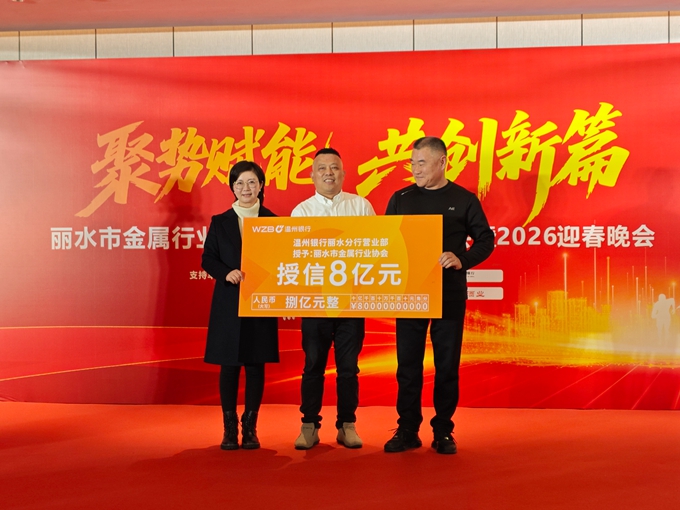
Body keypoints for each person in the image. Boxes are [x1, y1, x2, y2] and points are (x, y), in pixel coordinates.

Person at [383, 136, 494, 455]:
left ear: (442, 162)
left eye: (422, 163)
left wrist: (463, 259)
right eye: (412, 163)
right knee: (407, 366)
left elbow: (485, 240)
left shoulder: (464, 199)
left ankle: (443, 429)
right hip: (409, 294)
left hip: (448, 294)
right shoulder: (401, 198)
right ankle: (407, 429)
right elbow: (386, 241)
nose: (415, 169)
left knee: (446, 365)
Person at [291, 147, 376, 450]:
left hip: (352, 303)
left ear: (343, 173)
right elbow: (295, 258)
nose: (329, 173)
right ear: (312, 175)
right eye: (322, 168)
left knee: (348, 368)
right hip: (315, 304)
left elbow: (377, 250)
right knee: (313, 365)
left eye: (335, 168)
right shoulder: (301, 212)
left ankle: (347, 425)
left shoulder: (361, 206)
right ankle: (309, 425)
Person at [202, 160, 279, 450]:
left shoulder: (274, 221)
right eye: (239, 183)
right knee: (230, 365)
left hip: (261, 300)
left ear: (261, 185)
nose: (246, 188)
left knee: (256, 364)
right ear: (232, 188)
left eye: (251, 182)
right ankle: (229, 428)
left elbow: (282, 260)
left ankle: (250, 428)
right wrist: (226, 272)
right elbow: (208, 259)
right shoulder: (220, 221)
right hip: (229, 301)